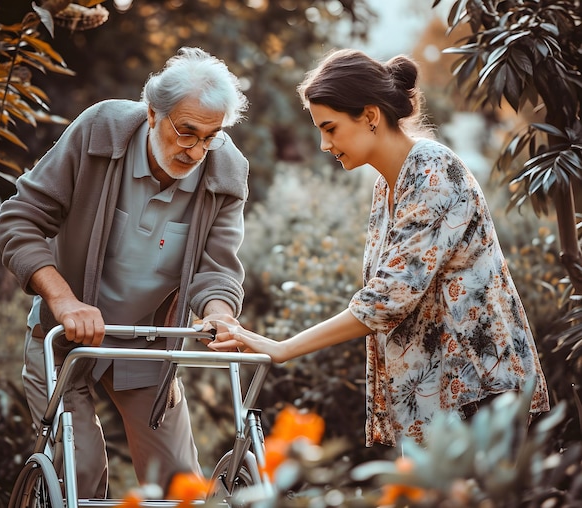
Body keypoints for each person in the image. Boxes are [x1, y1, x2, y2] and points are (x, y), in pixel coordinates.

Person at [207, 48, 550, 448]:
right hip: (436, 401)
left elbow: (387, 299)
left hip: (478, 391)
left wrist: (283, 348)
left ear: (370, 116)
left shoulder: (433, 171)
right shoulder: (387, 186)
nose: (323, 144)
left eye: (330, 128)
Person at [0, 47, 249, 497]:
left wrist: (220, 314)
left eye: (210, 137)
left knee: (179, 485)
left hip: (148, 344)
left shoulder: (225, 171)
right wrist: (64, 300)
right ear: (153, 113)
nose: (196, 151)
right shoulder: (100, 132)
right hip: (67, 336)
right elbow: (21, 219)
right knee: (82, 470)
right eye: (186, 132)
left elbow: (217, 269)